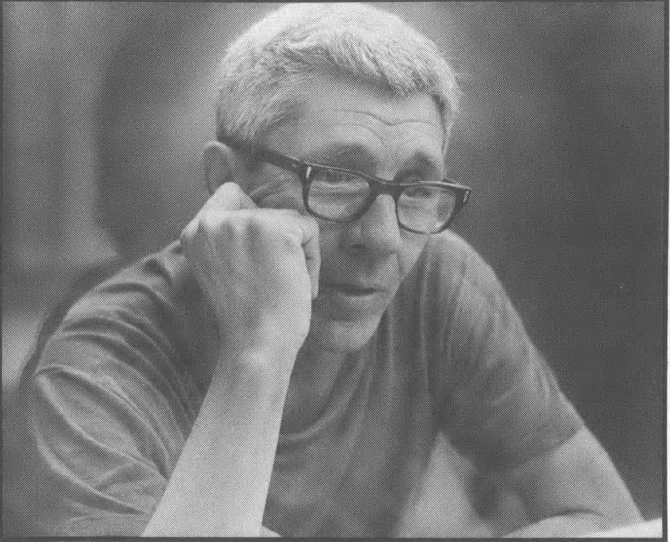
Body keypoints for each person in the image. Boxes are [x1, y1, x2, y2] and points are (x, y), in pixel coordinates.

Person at [17, 3, 641, 537]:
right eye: (337, 180)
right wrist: (258, 351)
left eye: (418, 187)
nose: (383, 239)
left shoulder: (438, 278)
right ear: (226, 184)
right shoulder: (91, 367)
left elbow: (603, 516)